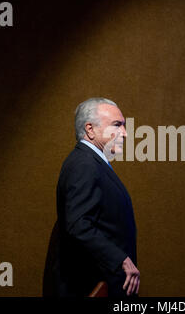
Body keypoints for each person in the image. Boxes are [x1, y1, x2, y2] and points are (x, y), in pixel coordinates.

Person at [43, 98, 139, 297]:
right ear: (90, 130)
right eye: (117, 125)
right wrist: (121, 259)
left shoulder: (91, 162)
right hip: (89, 288)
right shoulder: (84, 164)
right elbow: (78, 225)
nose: (125, 133)